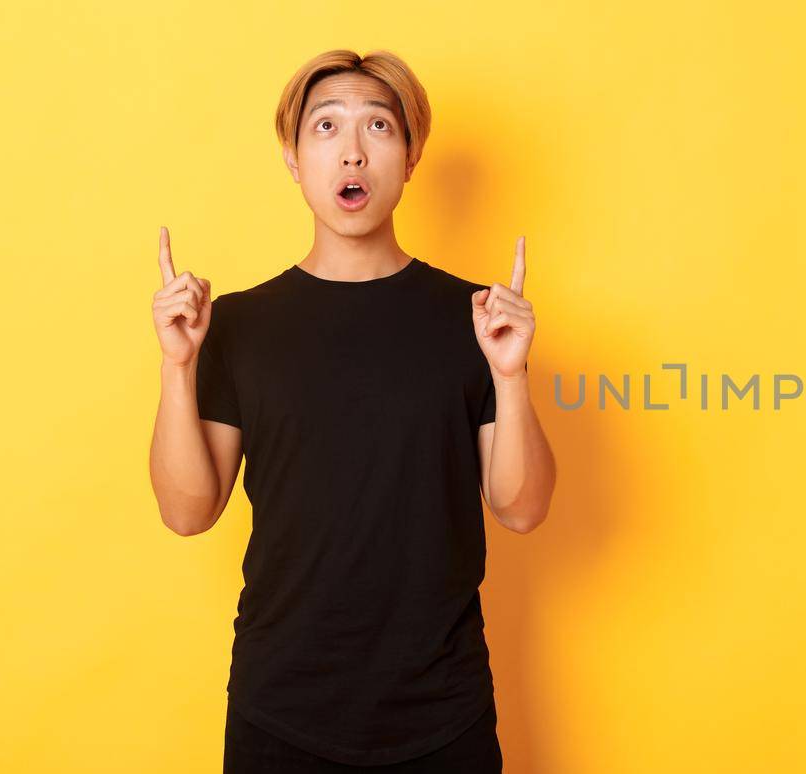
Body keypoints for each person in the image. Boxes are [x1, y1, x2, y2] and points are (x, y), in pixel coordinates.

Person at [147, 49, 557, 772]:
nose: (353, 152)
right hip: (280, 711)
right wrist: (178, 366)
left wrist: (513, 372)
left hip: (443, 711)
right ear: (293, 159)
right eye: (327, 127)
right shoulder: (237, 326)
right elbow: (188, 511)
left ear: (411, 156)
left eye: (379, 128)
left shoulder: (474, 320)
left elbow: (521, 508)